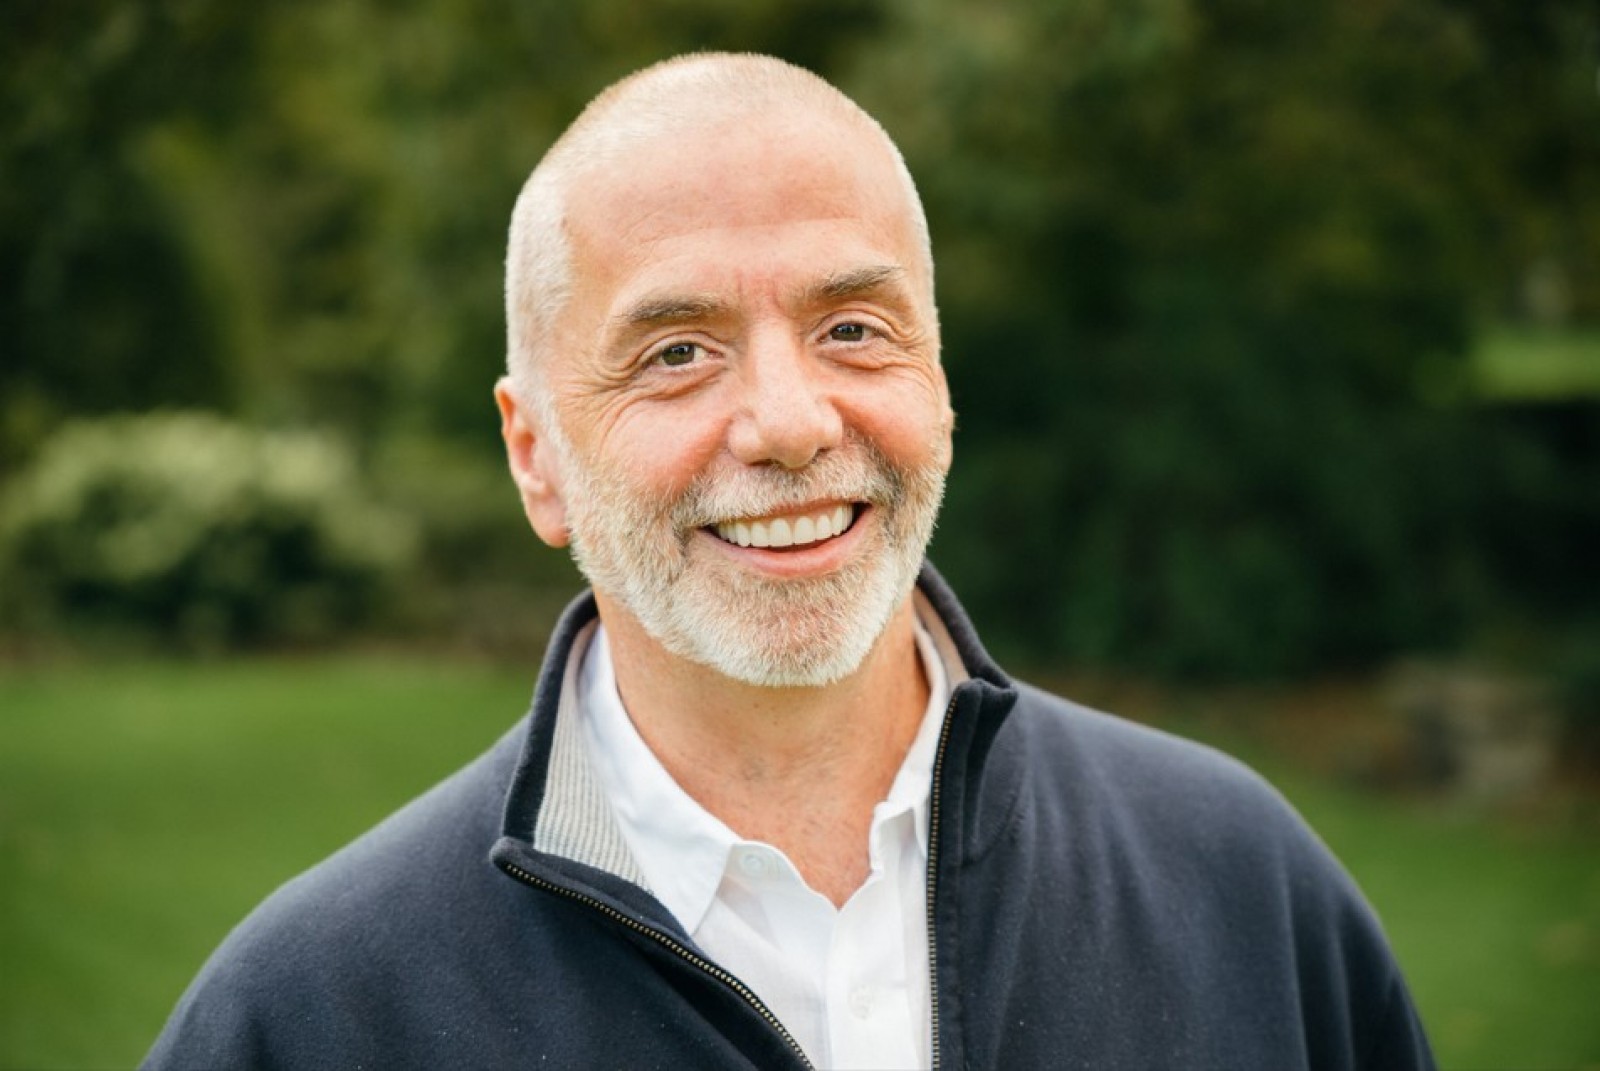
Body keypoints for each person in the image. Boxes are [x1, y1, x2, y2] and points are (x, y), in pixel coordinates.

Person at [144, 53, 1435, 1070]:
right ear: (535, 457)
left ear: (938, 373)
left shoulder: (1241, 889)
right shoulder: (313, 1018)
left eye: (854, 328)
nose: (791, 423)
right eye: (676, 352)